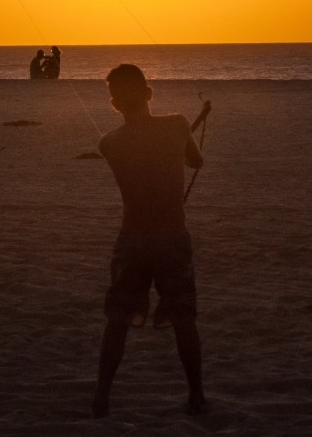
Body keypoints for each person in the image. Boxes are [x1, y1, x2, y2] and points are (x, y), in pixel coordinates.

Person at [93, 64, 206, 418]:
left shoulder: (108, 142)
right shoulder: (176, 124)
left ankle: (101, 397)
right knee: (184, 319)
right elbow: (196, 161)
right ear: (148, 92)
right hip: (172, 239)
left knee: (117, 320)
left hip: (132, 242)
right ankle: (197, 396)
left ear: (114, 103)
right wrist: (187, 132)